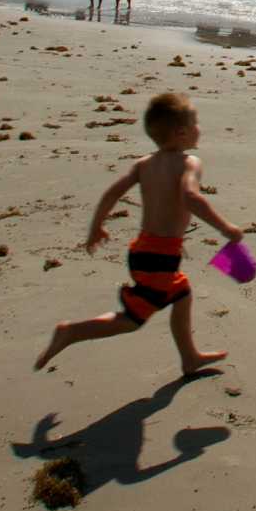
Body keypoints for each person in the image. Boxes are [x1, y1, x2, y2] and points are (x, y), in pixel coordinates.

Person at [33, 92, 238, 376]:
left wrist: (96, 227)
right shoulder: (189, 163)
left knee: (182, 293)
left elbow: (111, 194)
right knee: (132, 320)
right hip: (160, 256)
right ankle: (71, 332)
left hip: (143, 249)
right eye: (196, 123)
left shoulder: (144, 164)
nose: (199, 128)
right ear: (182, 132)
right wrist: (226, 228)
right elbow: (191, 198)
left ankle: (189, 357)